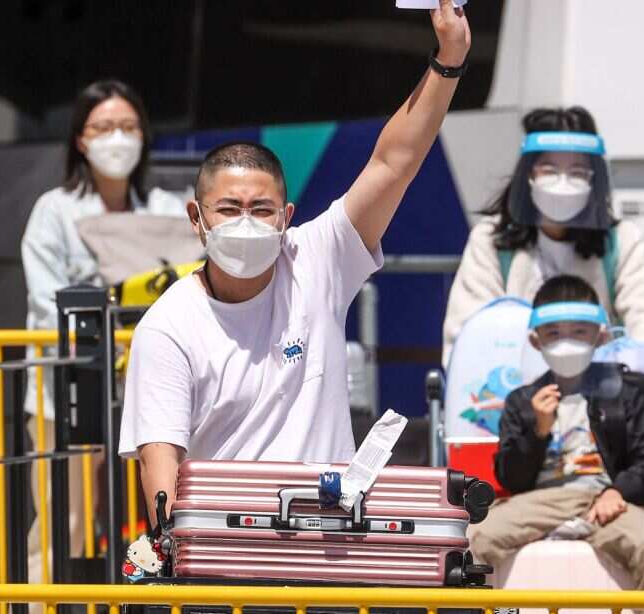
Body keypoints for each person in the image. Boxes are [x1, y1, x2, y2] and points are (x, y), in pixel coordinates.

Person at [119, 2, 472, 521]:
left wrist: (450, 60)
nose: (246, 222)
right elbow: (160, 461)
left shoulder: (318, 258)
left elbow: (394, 162)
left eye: (261, 209)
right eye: (229, 209)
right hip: (227, 552)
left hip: (332, 544)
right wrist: (172, 545)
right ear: (197, 218)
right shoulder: (166, 327)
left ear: (286, 216)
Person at [19, 79, 185, 614]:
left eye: (128, 127)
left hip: (158, 391)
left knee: (164, 517)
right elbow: (45, 305)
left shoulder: (171, 208)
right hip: (71, 390)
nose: (117, 140)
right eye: (102, 128)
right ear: (80, 139)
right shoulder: (55, 211)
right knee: (61, 521)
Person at [466, 274, 644, 614]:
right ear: (536, 342)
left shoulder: (630, 389)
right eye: (554, 334)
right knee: (475, 537)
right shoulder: (521, 400)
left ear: (601, 335)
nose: (566, 342)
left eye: (579, 332)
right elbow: (511, 478)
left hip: (606, 498)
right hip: (541, 499)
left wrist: (619, 491)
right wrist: (537, 429)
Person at [441, 106, 644, 364]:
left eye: (577, 172)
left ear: (594, 179)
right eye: (549, 170)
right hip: (516, 392)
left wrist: (642, 376)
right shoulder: (491, 241)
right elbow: (467, 334)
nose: (562, 183)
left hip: (600, 395)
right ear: (528, 174)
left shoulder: (622, 241)